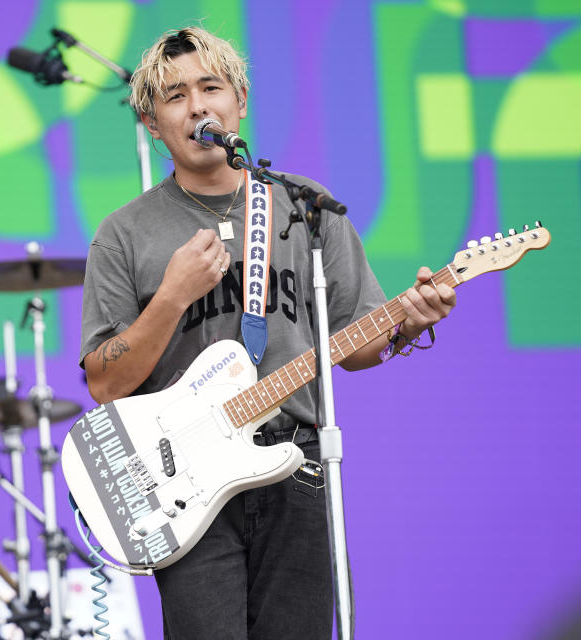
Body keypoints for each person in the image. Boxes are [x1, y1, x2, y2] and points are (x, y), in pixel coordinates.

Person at [79, 27, 456, 639]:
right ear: (153, 122)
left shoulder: (308, 209)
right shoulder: (124, 233)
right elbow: (105, 381)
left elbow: (356, 345)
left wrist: (407, 323)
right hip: (189, 489)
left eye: (211, 87)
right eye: (176, 96)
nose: (198, 106)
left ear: (240, 102)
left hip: (298, 465)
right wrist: (172, 296)